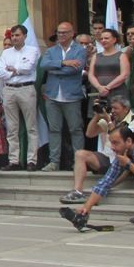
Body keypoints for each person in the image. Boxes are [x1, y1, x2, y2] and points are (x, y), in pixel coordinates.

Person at [59, 96, 134, 204]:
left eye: (116, 108)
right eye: (111, 108)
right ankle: (77, 191)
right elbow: (89, 133)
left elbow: (120, 139)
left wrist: (108, 120)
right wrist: (97, 116)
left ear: (126, 108)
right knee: (80, 154)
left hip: (123, 161)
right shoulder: (111, 119)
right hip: (107, 158)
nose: (113, 111)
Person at [39, 21, 87, 171]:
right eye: (59, 32)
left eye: (64, 32)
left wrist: (56, 68)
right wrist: (64, 62)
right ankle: (54, 162)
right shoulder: (51, 50)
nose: (61, 35)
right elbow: (44, 65)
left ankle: (78, 161)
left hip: (71, 96)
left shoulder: (80, 50)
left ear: (72, 33)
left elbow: (75, 70)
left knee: (75, 129)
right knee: (54, 129)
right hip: (53, 96)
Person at [0, 24, 40, 171]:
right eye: (13, 36)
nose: (14, 38)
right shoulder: (6, 53)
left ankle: (31, 160)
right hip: (9, 90)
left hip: (26, 88)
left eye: (17, 35)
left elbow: (29, 68)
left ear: (25, 36)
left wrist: (13, 69)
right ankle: (14, 160)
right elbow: (0, 73)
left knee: (31, 127)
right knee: (12, 127)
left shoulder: (33, 50)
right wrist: (15, 71)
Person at [88, 28, 130, 103]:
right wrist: (99, 87)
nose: (103, 40)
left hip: (117, 92)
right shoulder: (96, 56)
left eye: (106, 38)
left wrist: (108, 87)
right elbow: (91, 74)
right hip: (98, 92)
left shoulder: (122, 55)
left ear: (114, 40)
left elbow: (124, 75)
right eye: (101, 39)